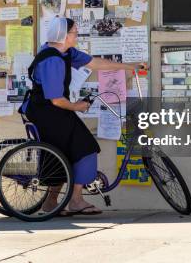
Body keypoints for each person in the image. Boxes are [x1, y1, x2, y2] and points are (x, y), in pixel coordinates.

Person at [20, 17, 146, 216]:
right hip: (48, 112)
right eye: (75, 32)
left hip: (50, 111)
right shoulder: (53, 59)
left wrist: (128, 68)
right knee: (86, 148)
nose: (77, 35)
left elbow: (95, 63)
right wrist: (77, 106)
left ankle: (51, 203)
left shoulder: (65, 53)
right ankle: (76, 201)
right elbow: (56, 100)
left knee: (61, 154)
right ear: (64, 35)